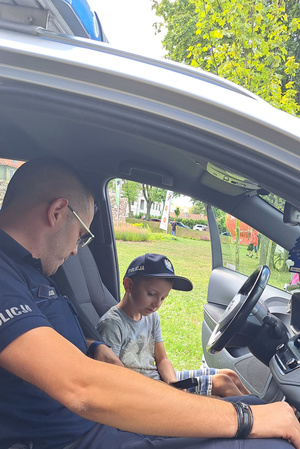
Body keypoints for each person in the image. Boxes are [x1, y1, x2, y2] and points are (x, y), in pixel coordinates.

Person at [0, 157, 299, 449]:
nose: (77, 252)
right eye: (81, 236)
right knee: (269, 436)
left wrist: (94, 346)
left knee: (254, 404)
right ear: (57, 212)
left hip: (99, 423)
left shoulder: (32, 271)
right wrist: (245, 420)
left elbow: (49, 337)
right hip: (78, 435)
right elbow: (81, 387)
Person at [98, 253, 250, 397]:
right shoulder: (112, 325)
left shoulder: (151, 317)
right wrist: (169, 391)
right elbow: (112, 378)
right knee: (222, 383)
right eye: (151, 294)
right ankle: (258, 418)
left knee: (229, 375)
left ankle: (261, 409)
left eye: (163, 298)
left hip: (161, 379)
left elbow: (162, 359)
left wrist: (173, 383)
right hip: (143, 391)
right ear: (128, 285)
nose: (157, 304)